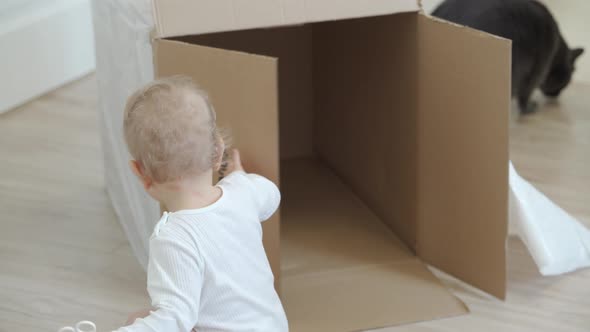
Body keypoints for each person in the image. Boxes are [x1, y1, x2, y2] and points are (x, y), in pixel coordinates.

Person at [116, 75, 288, 332]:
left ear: (140, 173)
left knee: (135, 321)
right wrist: (240, 178)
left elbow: (175, 318)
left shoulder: (173, 238)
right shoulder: (242, 193)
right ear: (218, 152)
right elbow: (272, 194)